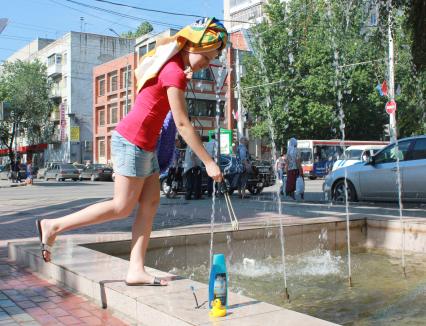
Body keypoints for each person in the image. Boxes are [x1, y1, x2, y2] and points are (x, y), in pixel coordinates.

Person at [36, 17, 227, 286]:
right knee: (122, 207)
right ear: (194, 47)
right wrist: (208, 162)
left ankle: (135, 269)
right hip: (133, 142)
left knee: (149, 204)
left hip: (145, 144)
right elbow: (183, 123)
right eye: (208, 58)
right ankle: (53, 226)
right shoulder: (173, 71)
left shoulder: (172, 67)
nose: (208, 64)